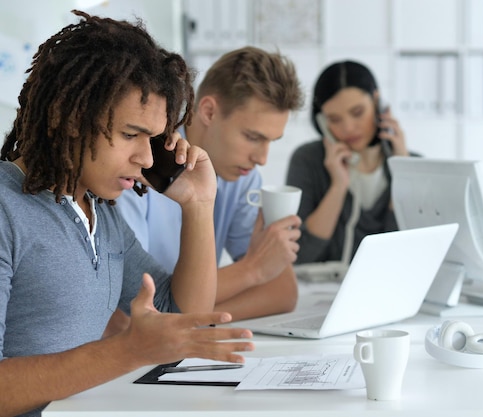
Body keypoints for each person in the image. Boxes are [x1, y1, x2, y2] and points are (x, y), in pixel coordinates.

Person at [0, 11, 253, 417]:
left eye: (153, 139)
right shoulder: (5, 209)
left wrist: (199, 205)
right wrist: (127, 351)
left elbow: (182, 317)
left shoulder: (99, 212)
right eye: (130, 134)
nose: (146, 157)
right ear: (69, 116)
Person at [115, 46, 304, 324]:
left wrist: (195, 319)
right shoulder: (138, 167)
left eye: (270, 142)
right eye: (253, 137)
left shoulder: (242, 175)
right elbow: (135, 307)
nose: (261, 158)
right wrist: (252, 270)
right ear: (209, 111)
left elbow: (282, 292)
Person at [286, 60, 414, 268]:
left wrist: (404, 174)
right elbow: (300, 256)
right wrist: (338, 186)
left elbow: (409, 254)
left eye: (357, 113)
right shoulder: (307, 160)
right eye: (334, 119)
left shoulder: (411, 163)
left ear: (377, 103)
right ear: (322, 122)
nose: (348, 127)